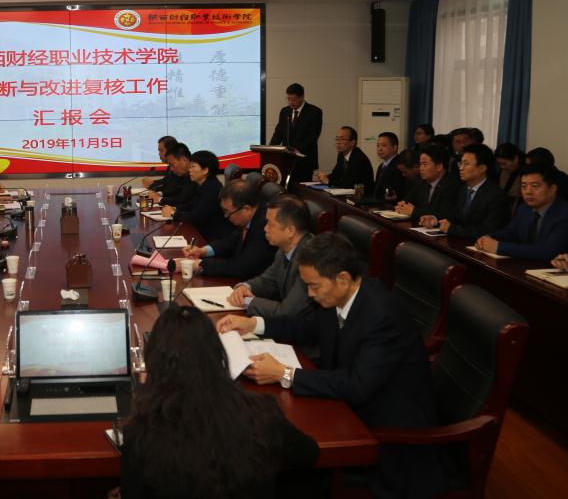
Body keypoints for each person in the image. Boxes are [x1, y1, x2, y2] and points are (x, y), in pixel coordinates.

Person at [217, 233, 446, 498]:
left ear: (343, 279)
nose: (310, 294)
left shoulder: (382, 316)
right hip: (346, 406)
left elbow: (357, 386)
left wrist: (285, 373)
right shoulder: (337, 297)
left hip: (388, 434)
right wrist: (253, 324)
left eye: (314, 286)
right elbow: (305, 328)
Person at [121, 304, 318, 499]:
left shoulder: (141, 432)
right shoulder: (262, 414)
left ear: (154, 361)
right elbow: (309, 454)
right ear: (217, 353)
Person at [227, 194, 316, 326]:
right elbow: (268, 280)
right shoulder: (284, 248)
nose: (265, 228)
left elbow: (287, 312)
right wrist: (245, 287)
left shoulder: (311, 260)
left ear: (290, 230)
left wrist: (246, 301)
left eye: (270, 224)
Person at [475, 164, 568, 263]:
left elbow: (548, 252)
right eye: (524, 186)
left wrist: (499, 247)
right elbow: (511, 232)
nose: (528, 191)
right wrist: (487, 238)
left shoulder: (567, 216)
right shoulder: (525, 208)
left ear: (552, 189)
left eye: (535, 186)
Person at [181, 180, 275, 281]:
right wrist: (203, 251)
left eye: (228, 212)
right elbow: (232, 241)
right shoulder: (251, 216)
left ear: (246, 209)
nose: (226, 216)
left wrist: (200, 264)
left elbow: (242, 268)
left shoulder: (265, 226)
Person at [418, 143, 509, 239]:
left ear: (482, 168)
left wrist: (453, 229)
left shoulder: (495, 195)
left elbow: (489, 230)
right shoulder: (463, 189)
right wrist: (435, 220)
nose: (461, 168)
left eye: (466, 164)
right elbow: (456, 215)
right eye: (460, 163)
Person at [160, 150, 230, 240]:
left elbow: (197, 216)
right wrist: (176, 208)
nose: (189, 170)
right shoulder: (202, 185)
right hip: (200, 231)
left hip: (209, 238)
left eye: (193, 166)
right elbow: (191, 204)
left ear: (205, 170)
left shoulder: (213, 189)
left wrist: (173, 213)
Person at [268, 83, 322, 183]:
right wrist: (270, 150)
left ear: (302, 97)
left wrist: (295, 151)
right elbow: (278, 134)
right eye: (288, 99)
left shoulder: (314, 112)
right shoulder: (284, 111)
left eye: (294, 99)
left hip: (304, 161)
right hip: (286, 160)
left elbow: (313, 136)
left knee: (301, 190)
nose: (290, 102)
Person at [394, 143, 458, 224]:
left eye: (425, 164)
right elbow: (405, 202)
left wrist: (414, 211)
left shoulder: (452, 185)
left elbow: (444, 214)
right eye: (420, 164)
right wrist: (401, 206)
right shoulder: (422, 183)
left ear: (439, 166)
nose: (421, 168)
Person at [317, 126, 374, 192]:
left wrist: (328, 181)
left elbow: (350, 183)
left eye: (342, 139)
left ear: (352, 142)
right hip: (350, 193)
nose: (338, 142)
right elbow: (336, 174)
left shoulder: (358, 157)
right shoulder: (341, 154)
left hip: (363, 195)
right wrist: (324, 177)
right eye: (337, 139)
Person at [150, 142, 197, 207]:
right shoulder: (185, 174)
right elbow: (177, 190)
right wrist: (159, 194)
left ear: (184, 159)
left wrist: (159, 199)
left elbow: (183, 199)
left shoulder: (195, 174)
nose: (171, 169)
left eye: (172, 164)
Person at [372, 132, 406, 201]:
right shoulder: (381, 166)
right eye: (378, 145)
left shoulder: (400, 165)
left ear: (394, 148)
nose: (379, 149)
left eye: (383, 145)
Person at [494, 143, 524, 211]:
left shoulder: (526, 172)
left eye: (504, 163)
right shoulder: (501, 172)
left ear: (516, 159)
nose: (502, 167)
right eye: (499, 164)